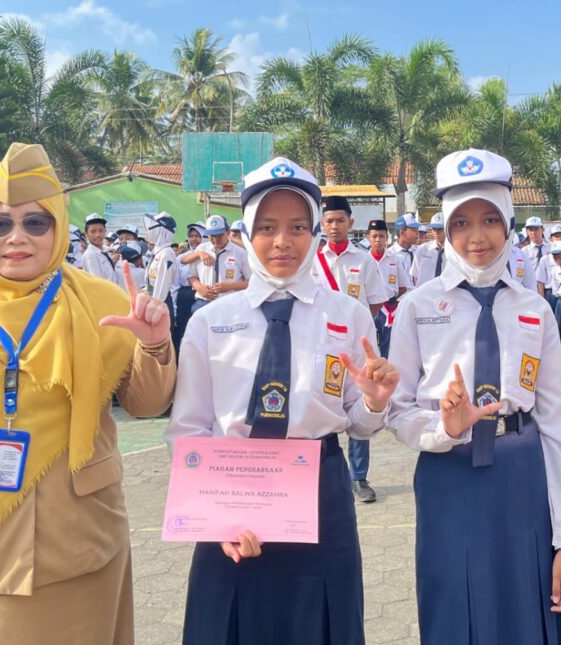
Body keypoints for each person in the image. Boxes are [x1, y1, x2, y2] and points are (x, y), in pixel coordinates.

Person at [0, 142, 176, 645]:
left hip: (79, 542)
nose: (17, 237)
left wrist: (154, 344)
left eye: (36, 223)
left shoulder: (102, 302)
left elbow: (147, 404)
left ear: (58, 227)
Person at [166, 157, 398, 645]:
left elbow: (359, 423)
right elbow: (188, 428)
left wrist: (375, 402)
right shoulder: (211, 321)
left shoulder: (348, 315)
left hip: (319, 493)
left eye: (297, 227)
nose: (282, 242)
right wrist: (214, 516)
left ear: (314, 233)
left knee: (322, 621)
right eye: (267, 227)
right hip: (230, 491)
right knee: (227, 621)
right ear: (247, 233)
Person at [387, 148, 561, 645]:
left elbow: (556, 426)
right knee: (454, 609)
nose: (477, 236)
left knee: (528, 609)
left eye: (491, 219)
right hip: (448, 474)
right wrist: (443, 429)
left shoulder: (535, 310)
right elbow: (397, 410)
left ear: (509, 222)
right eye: (462, 222)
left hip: (522, 477)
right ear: (445, 230)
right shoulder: (418, 307)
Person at [313, 196, 388, 504]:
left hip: (357, 346)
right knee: (321, 405)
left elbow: (377, 301)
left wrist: (355, 327)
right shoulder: (313, 260)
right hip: (321, 346)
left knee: (362, 404)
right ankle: (318, 476)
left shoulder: (364, 260)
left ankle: (359, 477)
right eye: (329, 221)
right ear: (322, 224)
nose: (334, 226)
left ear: (350, 223)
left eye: (340, 220)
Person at [187, 214, 251, 313]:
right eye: (212, 236)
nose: (215, 239)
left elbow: (251, 282)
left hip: (230, 305)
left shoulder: (240, 253)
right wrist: (200, 288)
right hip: (203, 304)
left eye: (219, 235)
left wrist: (230, 286)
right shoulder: (201, 249)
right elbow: (191, 276)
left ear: (228, 232)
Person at [366, 219, 411, 358]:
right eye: (374, 236)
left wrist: (392, 301)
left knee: (388, 344)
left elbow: (403, 286)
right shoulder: (362, 260)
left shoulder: (395, 259)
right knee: (368, 342)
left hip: (388, 308)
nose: (378, 240)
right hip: (369, 307)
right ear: (368, 237)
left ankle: (386, 366)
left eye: (381, 236)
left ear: (387, 237)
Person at [172, 222, 204, 351]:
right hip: (185, 298)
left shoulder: (212, 256)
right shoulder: (181, 258)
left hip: (203, 295)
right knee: (184, 333)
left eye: (197, 236)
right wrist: (174, 311)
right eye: (191, 236)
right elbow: (174, 285)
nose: (194, 239)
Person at [143, 212, 178, 330]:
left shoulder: (166, 254)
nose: (148, 231)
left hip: (160, 303)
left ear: (160, 231)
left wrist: (154, 309)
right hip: (153, 300)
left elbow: (162, 285)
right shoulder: (157, 252)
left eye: (151, 228)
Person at [536, 240, 561, 349]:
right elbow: (540, 281)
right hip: (553, 297)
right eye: (555, 257)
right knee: (555, 328)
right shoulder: (548, 262)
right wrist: (542, 301)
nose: (558, 260)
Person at [81, 213, 118, 285]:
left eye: (100, 231)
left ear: (105, 232)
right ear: (86, 234)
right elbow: (98, 284)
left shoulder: (103, 251)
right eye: (93, 231)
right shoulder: (90, 255)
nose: (97, 235)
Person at [410, 213, 446, 284]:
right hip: (424, 290)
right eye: (434, 229)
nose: (436, 232)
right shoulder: (422, 249)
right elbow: (415, 276)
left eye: (440, 229)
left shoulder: (454, 251)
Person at [390, 213, 419, 286]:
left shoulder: (419, 251)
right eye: (413, 229)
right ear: (402, 232)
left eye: (417, 229)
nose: (417, 233)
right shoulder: (390, 254)